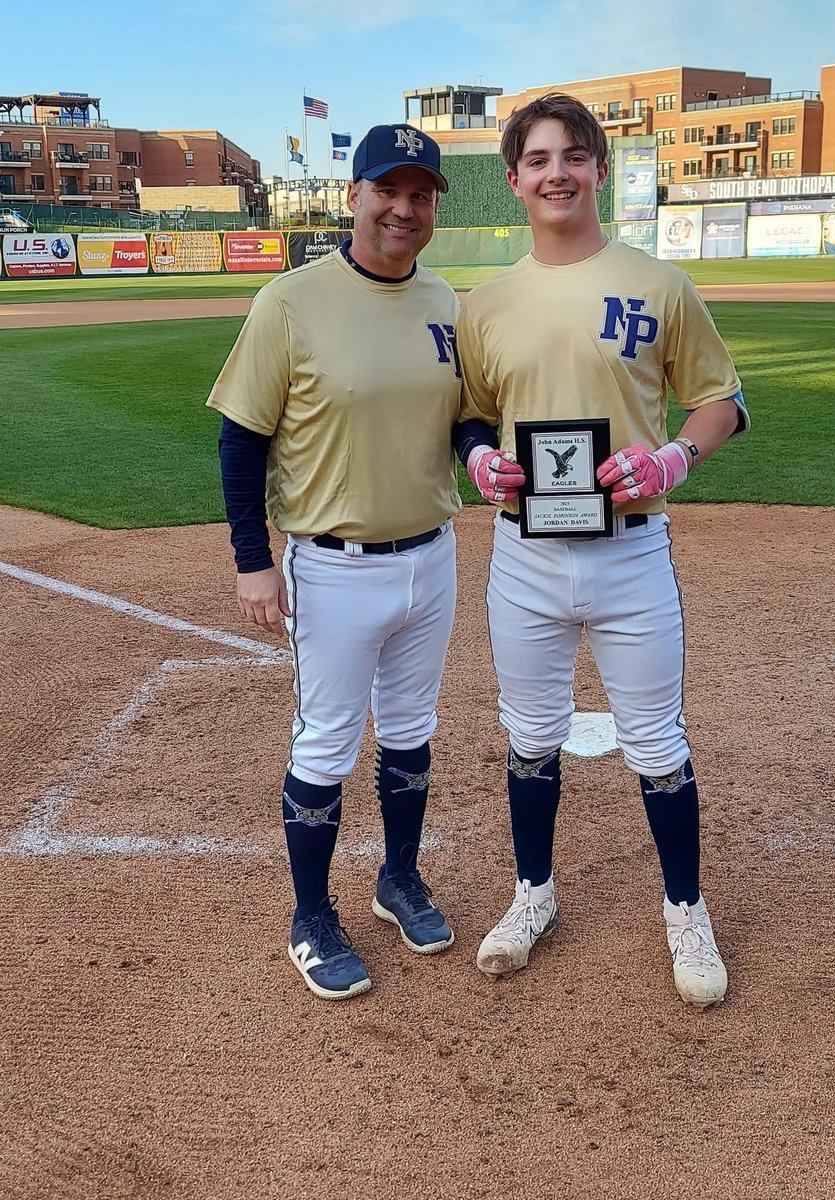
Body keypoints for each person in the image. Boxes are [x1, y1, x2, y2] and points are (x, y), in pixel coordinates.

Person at [455, 93, 749, 1009]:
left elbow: (723, 401)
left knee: (657, 741)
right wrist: (476, 455)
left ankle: (685, 910)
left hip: (630, 553)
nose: (556, 173)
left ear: (598, 170)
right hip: (525, 556)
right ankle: (533, 895)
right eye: (538, 160)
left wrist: (673, 456)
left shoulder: (659, 282)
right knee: (531, 735)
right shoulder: (488, 302)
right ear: (514, 181)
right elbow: (466, 410)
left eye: (573, 157)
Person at [206, 124, 465, 1001]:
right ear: (353, 196)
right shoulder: (290, 301)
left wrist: (483, 454)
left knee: (411, 731)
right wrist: (253, 560)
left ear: (434, 205)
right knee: (325, 742)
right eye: (387, 190)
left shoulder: (445, 301)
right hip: (334, 564)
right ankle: (311, 915)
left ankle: (398, 878)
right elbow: (241, 439)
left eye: (420, 193)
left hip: (432, 555)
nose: (404, 208)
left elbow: (465, 417)